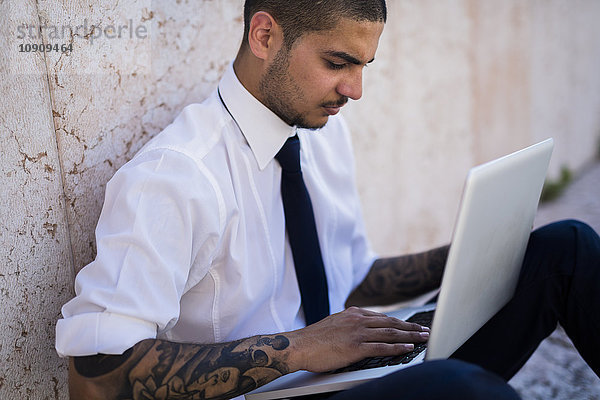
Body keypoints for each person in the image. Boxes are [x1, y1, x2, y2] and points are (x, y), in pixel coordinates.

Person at [55, 1, 600, 399]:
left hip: (344, 373)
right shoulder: (176, 175)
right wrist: (297, 349)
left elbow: (352, 276)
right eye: (339, 63)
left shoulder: (320, 131)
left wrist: (475, 257)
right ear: (264, 35)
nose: (355, 91)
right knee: (464, 392)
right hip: (271, 392)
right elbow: (97, 372)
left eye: (364, 66)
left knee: (565, 248)